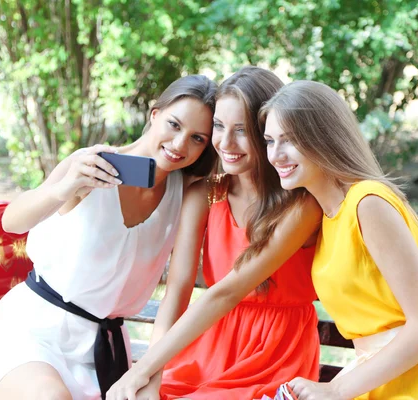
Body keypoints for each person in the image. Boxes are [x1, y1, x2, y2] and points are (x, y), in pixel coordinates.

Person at [0, 74, 218, 400]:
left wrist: (150, 378)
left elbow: (178, 291)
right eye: (174, 124)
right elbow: (12, 221)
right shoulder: (93, 163)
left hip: (105, 351)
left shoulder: (184, 194)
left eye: (197, 138)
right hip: (32, 335)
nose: (180, 144)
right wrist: (65, 187)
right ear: (154, 114)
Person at [106, 67, 322, 400]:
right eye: (219, 127)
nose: (225, 143)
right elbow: (177, 289)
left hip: (273, 354)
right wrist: (150, 377)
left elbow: (228, 292)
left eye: (242, 130)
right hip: (206, 346)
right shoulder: (205, 194)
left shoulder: (300, 203)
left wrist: (140, 369)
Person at [261, 80, 418, 399]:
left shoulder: (368, 202)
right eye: (269, 141)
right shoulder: (327, 215)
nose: (276, 154)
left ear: (324, 138)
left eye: (289, 140)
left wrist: (334, 390)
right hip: (372, 380)